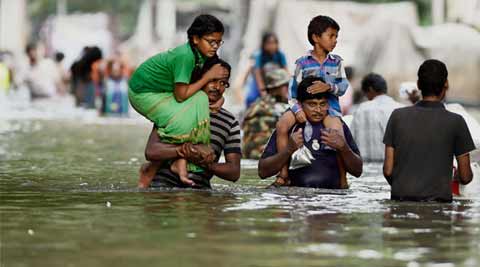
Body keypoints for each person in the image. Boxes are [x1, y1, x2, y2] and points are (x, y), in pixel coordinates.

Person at [129, 14, 229, 188]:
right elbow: (181, 95)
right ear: (195, 39)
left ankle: (177, 160)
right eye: (211, 41)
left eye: (218, 42)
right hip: (143, 93)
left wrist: (219, 96)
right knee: (198, 100)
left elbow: (214, 74)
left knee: (199, 100)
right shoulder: (186, 56)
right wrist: (208, 77)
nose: (215, 46)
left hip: (163, 92)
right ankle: (159, 166)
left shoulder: (202, 55)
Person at [383, 59, 475, 202]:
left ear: (419, 85)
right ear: (446, 85)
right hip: (439, 206)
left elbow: (388, 170)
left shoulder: (397, 116)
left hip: (400, 205)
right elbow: (465, 177)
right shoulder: (456, 121)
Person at [274, 15, 350, 188]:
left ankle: (343, 178)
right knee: (281, 126)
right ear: (316, 38)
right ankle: (283, 173)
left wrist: (329, 87)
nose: (335, 41)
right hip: (303, 107)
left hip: (330, 108)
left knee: (337, 131)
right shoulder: (302, 63)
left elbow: (344, 86)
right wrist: (297, 110)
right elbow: (292, 93)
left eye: (336, 37)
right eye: (331, 36)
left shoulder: (337, 62)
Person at [142, 58, 241, 189]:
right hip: (162, 189)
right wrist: (187, 151)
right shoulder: (175, 108)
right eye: (212, 80)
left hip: (200, 192)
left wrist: (205, 162)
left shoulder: (230, 122)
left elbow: (234, 172)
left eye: (223, 83)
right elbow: (151, 151)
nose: (217, 87)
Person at [258, 77, 362, 189]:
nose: (318, 110)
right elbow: (263, 172)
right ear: (300, 105)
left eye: (322, 104)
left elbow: (357, 171)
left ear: (328, 104)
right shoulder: (289, 127)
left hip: (332, 200)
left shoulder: (337, 126)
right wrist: (288, 150)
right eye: (312, 104)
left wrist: (344, 147)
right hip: (296, 201)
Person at [350, 73, 404, 162]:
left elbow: (351, 140)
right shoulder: (400, 108)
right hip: (392, 167)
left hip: (365, 168)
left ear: (370, 89)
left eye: (365, 93)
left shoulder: (361, 109)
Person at [242, 68, 289, 159]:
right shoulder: (267, 108)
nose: (288, 89)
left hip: (258, 153)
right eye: (285, 85)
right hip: (259, 153)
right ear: (274, 89)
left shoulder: (264, 103)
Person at [245, 32, 288, 107]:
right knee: (251, 98)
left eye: (274, 43)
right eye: (269, 43)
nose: (272, 46)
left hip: (274, 82)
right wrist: (263, 91)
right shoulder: (259, 55)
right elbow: (258, 74)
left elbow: (286, 72)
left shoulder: (280, 55)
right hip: (260, 81)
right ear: (264, 44)